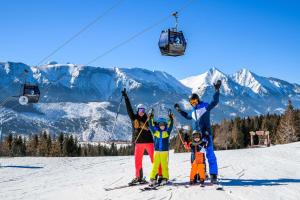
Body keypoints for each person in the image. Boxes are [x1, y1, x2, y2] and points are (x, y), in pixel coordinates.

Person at [174, 80, 222, 184]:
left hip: (206, 135)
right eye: (192, 103)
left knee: (210, 155)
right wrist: (179, 110)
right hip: (196, 138)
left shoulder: (205, 107)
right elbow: (187, 116)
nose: (194, 104)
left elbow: (214, 102)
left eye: (195, 101)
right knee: (196, 157)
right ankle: (199, 173)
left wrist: (217, 90)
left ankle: (213, 175)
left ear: (198, 100)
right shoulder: (192, 112)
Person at [122, 89, 161, 185]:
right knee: (137, 161)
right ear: (138, 110)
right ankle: (138, 177)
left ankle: (160, 175)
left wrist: (161, 125)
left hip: (149, 142)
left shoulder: (147, 118)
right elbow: (129, 109)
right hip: (138, 142)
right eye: (140, 110)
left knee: (154, 159)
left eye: (143, 110)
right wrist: (126, 97)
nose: (142, 112)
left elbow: (155, 124)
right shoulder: (134, 118)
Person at [148, 112, 174, 186]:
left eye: (163, 125)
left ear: (165, 126)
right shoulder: (155, 132)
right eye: (160, 125)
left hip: (164, 152)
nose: (162, 126)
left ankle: (165, 178)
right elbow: (151, 126)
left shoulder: (167, 133)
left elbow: (171, 126)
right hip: (156, 151)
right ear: (158, 126)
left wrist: (171, 118)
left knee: (164, 165)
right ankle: (152, 178)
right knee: (155, 165)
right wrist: (150, 118)